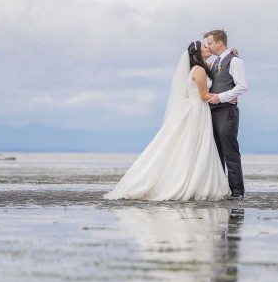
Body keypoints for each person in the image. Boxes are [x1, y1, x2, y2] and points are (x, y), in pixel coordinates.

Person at [104, 41, 231, 201]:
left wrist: (229, 54)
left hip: (197, 108)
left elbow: (215, 64)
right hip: (198, 108)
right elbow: (204, 96)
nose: (208, 47)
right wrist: (227, 98)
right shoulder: (199, 71)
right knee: (194, 144)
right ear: (198, 53)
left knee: (192, 144)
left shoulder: (200, 68)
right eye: (205, 46)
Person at [204, 28, 247, 198]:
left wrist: (221, 97)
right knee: (217, 152)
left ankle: (237, 191)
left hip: (226, 112)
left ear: (219, 43)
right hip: (213, 112)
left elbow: (242, 86)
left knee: (230, 151)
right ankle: (222, 188)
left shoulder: (235, 61)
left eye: (210, 43)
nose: (208, 46)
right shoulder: (215, 62)